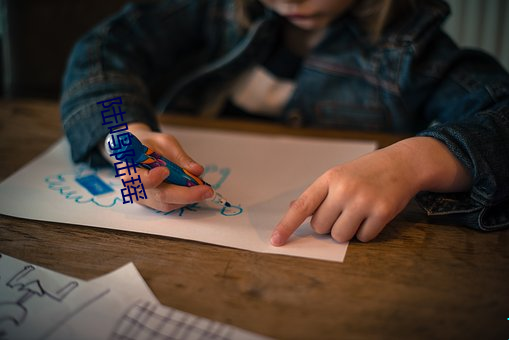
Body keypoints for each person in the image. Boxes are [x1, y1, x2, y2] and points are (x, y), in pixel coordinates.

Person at [60, 0, 509, 246]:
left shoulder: (416, 48)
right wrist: (124, 136)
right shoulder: (210, 9)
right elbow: (105, 51)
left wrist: (417, 160)